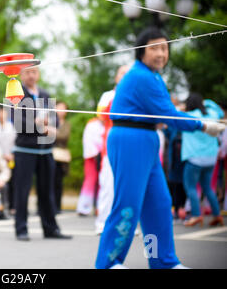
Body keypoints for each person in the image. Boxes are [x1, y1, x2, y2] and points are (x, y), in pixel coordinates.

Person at [95, 27, 225, 269]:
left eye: (164, 48)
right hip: (130, 138)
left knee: (158, 203)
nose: (161, 53)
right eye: (154, 47)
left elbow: (166, 113)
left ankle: (163, 261)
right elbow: (168, 114)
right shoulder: (140, 76)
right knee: (128, 203)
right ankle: (108, 263)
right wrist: (202, 125)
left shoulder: (153, 76)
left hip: (146, 138)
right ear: (140, 51)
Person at [11, 66, 72, 241]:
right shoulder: (16, 94)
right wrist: (38, 124)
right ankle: (21, 229)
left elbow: (55, 121)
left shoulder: (45, 94)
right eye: (27, 72)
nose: (31, 75)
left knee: (47, 190)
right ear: (22, 75)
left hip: (45, 150)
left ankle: (51, 228)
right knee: (22, 191)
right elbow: (17, 122)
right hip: (25, 149)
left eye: (34, 72)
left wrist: (50, 127)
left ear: (38, 74)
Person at [94, 65, 129, 234]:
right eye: (122, 73)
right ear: (116, 77)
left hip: (131, 147)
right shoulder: (108, 96)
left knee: (127, 186)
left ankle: (125, 222)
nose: (124, 76)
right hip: (110, 147)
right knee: (108, 185)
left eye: (127, 74)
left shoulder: (135, 95)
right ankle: (103, 221)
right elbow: (100, 116)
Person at [181, 93, 224, 227]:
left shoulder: (189, 116)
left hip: (194, 158)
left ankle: (196, 215)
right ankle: (217, 215)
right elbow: (219, 110)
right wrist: (207, 101)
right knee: (208, 188)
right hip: (210, 159)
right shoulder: (212, 114)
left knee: (191, 187)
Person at [0, 107, 17, 212]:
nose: (1, 115)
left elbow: (15, 142)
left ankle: (12, 206)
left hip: (11, 158)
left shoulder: (12, 127)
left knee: (13, 182)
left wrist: (11, 154)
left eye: (3, 113)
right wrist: (2, 155)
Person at [77, 117, 104, 216]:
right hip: (92, 157)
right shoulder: (92, 124)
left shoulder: (109, 123)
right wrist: (95, 154)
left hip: (104, 157)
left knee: (103, 182)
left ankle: (100, 207)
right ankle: (84, 207)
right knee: (90, 181)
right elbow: (88, 141)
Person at [52, 101, 71, 213]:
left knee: (58, 182)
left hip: (61, 157)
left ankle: (57, 206)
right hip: (50, 154)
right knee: (47, 181)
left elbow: (64, 136)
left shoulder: (66, 124)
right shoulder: (51, 121)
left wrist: (53, 132)